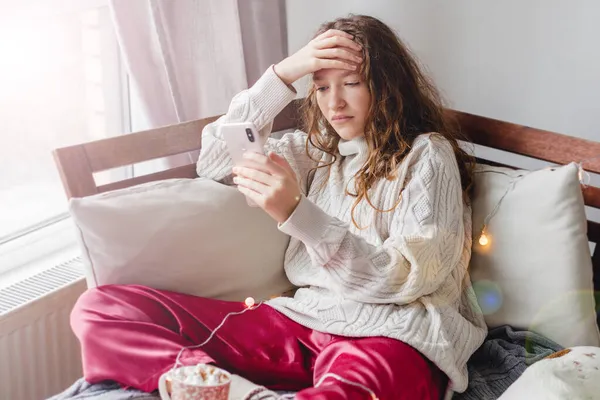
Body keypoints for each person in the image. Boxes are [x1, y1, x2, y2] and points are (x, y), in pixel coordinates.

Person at [71, 15, 487, 400]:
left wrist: (297, 213)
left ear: (388, 85)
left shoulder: (427, 155)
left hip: (396, 333)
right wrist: (283, 74)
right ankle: (220, 388)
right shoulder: (319, 153)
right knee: (101, 307)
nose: (334, 102)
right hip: (300, 321)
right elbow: (214, 161)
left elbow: (405, 279)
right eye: (321, 86)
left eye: (352, 83)